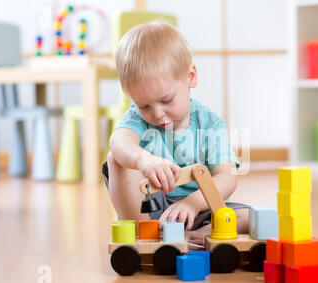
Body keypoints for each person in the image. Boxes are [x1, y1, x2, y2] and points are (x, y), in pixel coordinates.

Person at [102, 21, 249, 247]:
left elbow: (227, 177)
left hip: (202, 207)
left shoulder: (210, 124)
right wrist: (144, 160)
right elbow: (118, 141)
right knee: (116, 158)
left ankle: (198, 236)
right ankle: (145, 235)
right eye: (144, 106)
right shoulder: (136, 119)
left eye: (166, 100)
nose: (158, 113)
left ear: (190, 77)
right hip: (152, 209)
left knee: (249, 217)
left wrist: (192, 203)